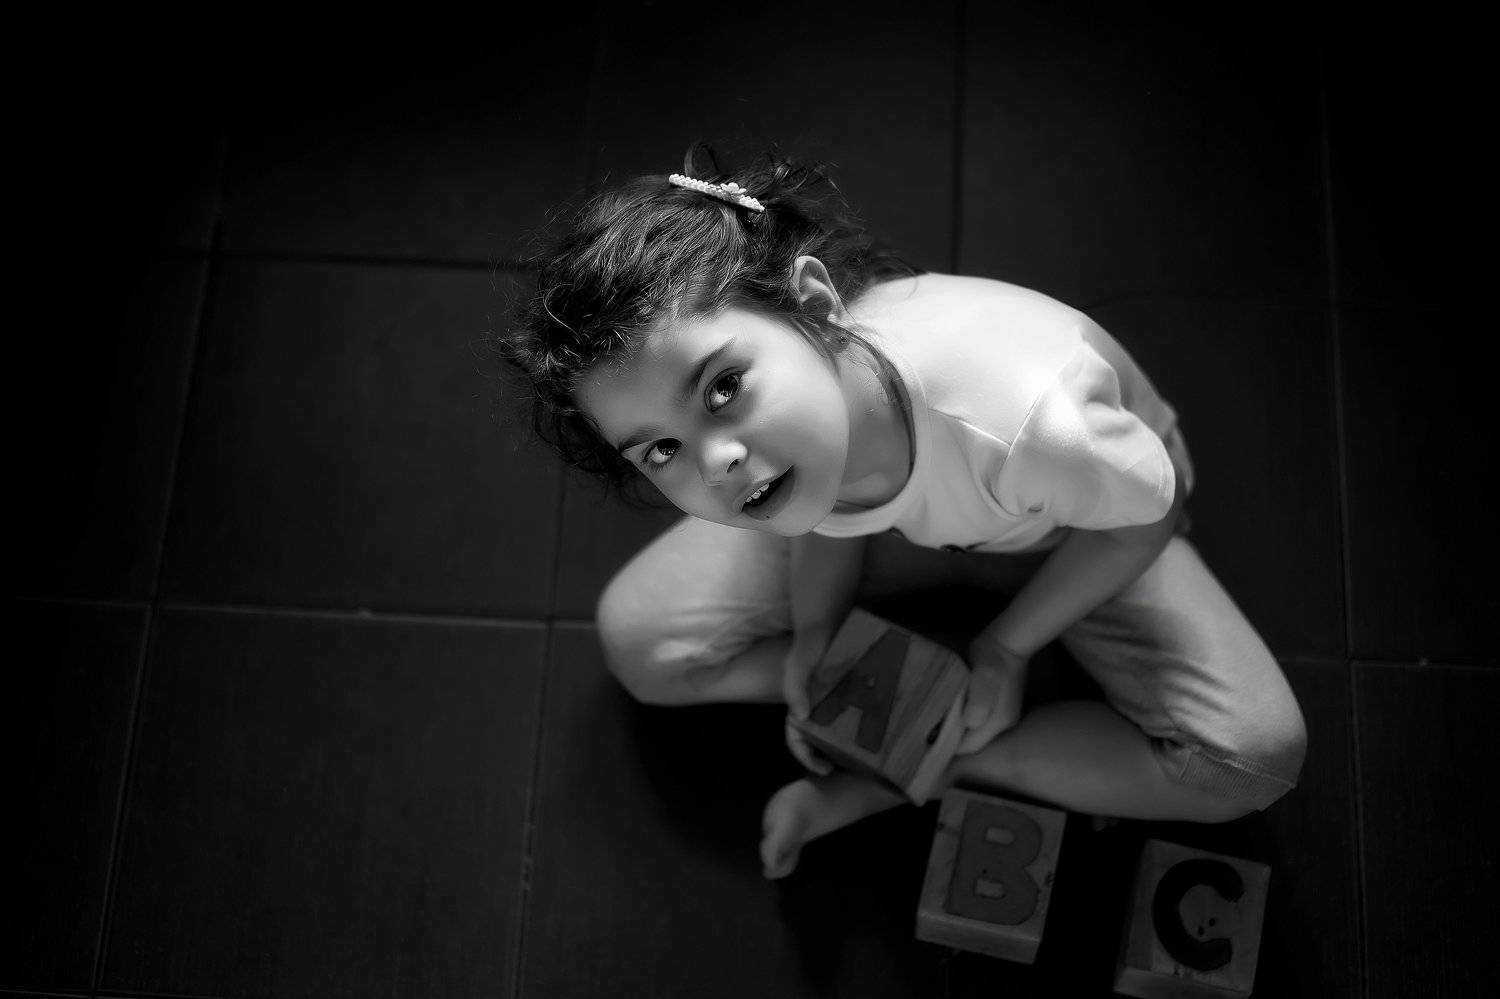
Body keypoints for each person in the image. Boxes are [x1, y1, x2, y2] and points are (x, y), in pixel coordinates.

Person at [499, 144, 1306, 880]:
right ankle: (924, 707)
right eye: (661, 450)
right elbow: (823, 516)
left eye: (723, 388)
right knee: (642, 642)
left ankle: (922, 764)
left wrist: (1007, 647)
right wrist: (816, 633)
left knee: (1248, 762)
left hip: (1072, 527)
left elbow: (1148, 516)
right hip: (906, 519)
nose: (716, 463)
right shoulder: (785, 447)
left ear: (818, 308)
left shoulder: (1034, 420)